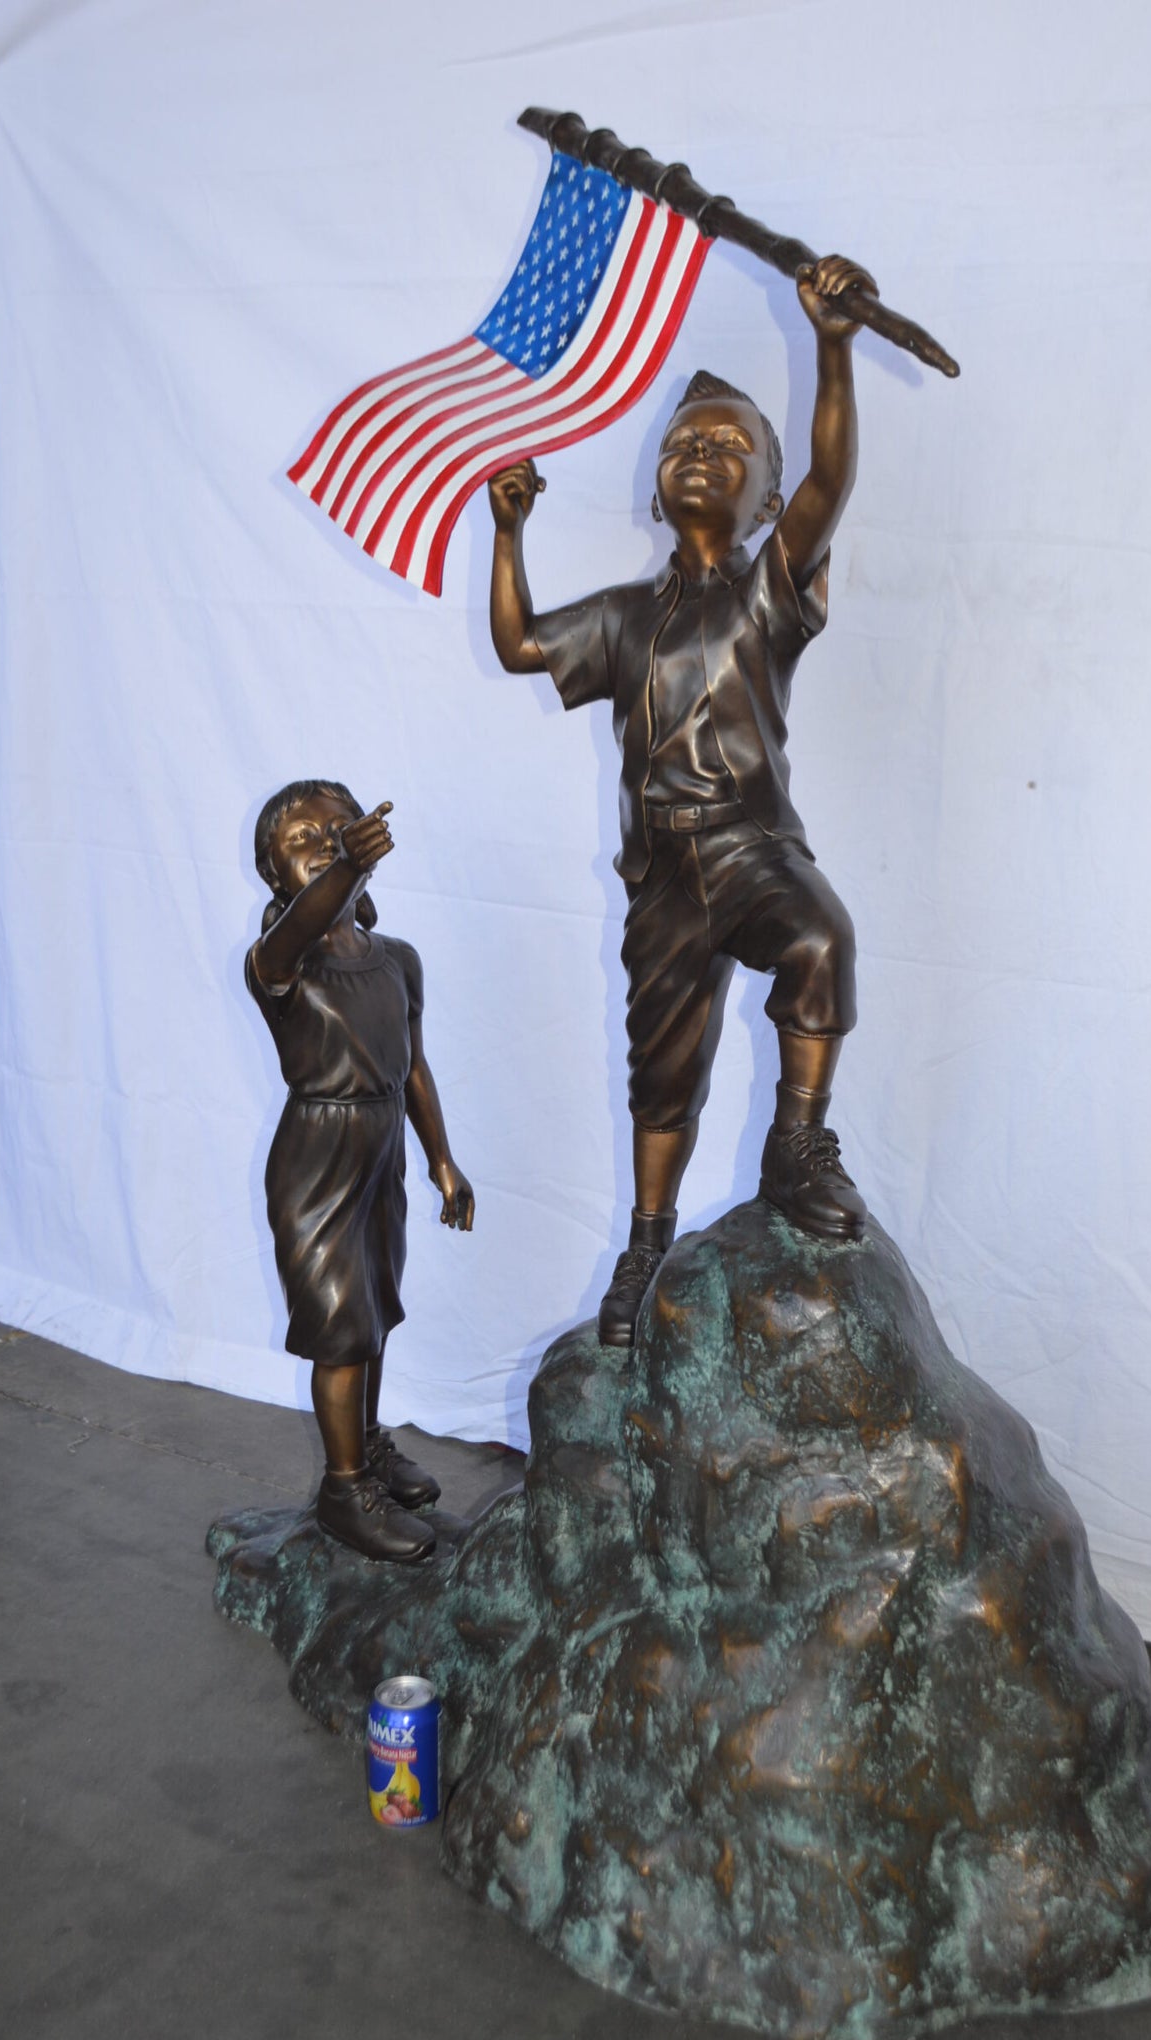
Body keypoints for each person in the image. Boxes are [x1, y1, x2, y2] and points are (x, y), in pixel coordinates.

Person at [487, 255, 871, 1348]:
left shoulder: (771, 590)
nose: (699, 456)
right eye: (681, 446)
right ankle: (645, 1243)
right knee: (662, 1069)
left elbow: (831, 483)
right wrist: (508, 531)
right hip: (661, 872)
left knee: (819, 938)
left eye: (726, 449)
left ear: (764, 497)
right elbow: (517, 643)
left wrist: (831, 343)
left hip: (750, 846)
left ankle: (796, 1144)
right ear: (655, 484)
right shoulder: (619, 616)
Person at [247, 781, 473, 1561]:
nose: (324, 842)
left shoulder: (396, 961)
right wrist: (343, 868)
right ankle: (344, 1492)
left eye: (338, 829)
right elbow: (310, 913)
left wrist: (442, 1158)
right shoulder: (278, 961)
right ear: (274, 880)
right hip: (317, 1156)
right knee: (339, 1326)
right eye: (301, 840)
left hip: (382, 1152)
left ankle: (364, 1449)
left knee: (373, 1309)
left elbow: (412, 1067)